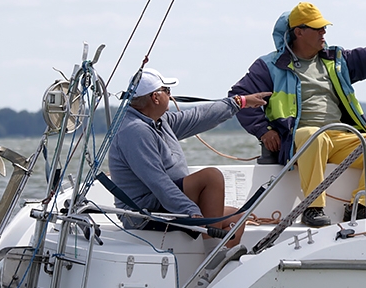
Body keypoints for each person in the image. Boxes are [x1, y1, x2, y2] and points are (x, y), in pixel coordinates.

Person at [230, 2, 366, 227]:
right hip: (299, 140)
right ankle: (313, 207)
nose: (324, 32)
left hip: (338, 137)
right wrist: (264, 131)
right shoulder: (269, 66)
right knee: (314, 135)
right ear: (298, 32)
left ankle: (361, 207)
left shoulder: (336, 60)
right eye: (317, 28)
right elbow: (239, 96)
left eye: (324, 28)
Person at [109, 68, 270, 247]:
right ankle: (213, 256)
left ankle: (216, 268)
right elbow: (158, 182)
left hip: (165, 204)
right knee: (211, 177)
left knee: (237, 218)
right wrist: (191, 211)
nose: (170, 96)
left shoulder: (159, 121)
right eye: (167, 91)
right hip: (143, 214)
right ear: (155, 97)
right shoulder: (135, 130)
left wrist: (240, 102)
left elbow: (199, 117)